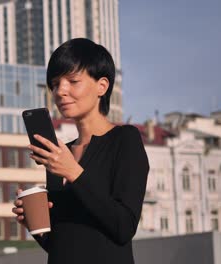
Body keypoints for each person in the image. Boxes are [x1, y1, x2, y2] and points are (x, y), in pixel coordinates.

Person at [12, 38, 149, 264]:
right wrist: (34, 224)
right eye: (55, 84)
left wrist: (74, 173)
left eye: (73, 81)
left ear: (102, 86)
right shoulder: (61, 154)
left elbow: (123, 227)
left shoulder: (125, 139)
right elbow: (62, 245)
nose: (60, 91)